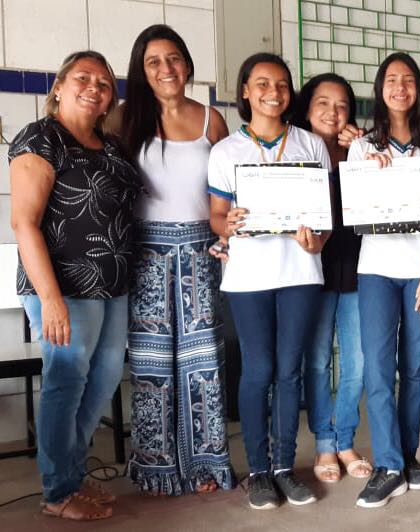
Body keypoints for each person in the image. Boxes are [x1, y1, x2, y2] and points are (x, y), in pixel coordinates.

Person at [9, 50, 139, 520]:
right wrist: (50, 300)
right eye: (83, 77)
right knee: (66, 382)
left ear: (110, 101)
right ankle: (57, 492)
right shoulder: (41, 139)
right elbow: (24, 223)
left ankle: (71, 475)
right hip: (62, 287)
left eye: (105, 83)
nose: (94, 87)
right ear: (59, 87)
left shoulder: (113, 146)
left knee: (102, 382)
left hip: (112, 285)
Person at [207, 53, 330, 509]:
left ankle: (285, 467)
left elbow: (324, 217)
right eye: (262, 84)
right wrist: (229, 223)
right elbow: (217, 217)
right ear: (245, 91)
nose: (273, 93)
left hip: (300, 272)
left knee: (289, 369)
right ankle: (258, 470)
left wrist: (317, 241)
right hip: (248, 276)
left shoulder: (310, 144)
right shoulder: (225, 152)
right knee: (258, 370)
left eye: (281, 84)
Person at [117, 24, 234, 496]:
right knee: (151, 365)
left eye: (173, 58)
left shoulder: (212, 121)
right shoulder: (123, 121)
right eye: (153, 61)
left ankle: (206, 463)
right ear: (142, 72)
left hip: (201, 251)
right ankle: (155, 467)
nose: (165, 69)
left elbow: (228, 194)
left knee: (203, 361)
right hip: (146, 255)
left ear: (187, 63)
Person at [350, 52, 420, 508]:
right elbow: (353, 210)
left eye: (408, 80)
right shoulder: (362, 148)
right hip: (376, 271)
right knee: (378, 368)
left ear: (418, 90)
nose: (400, 87)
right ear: (380, 89)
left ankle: (409, 456)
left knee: (414, 369)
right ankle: (388, 464)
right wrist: (371, 182)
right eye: (391, 79)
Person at [293, 74, 372, 482]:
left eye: (341, 104)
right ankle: (324, 444)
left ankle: (345, 440)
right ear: (307, 109)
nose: (333, 112)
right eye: (323, 103)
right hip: (313, 271)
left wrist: (364, 149)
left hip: (359, 269)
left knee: (358, 362)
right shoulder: (293, 152)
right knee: (318, 361)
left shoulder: (361, 151)